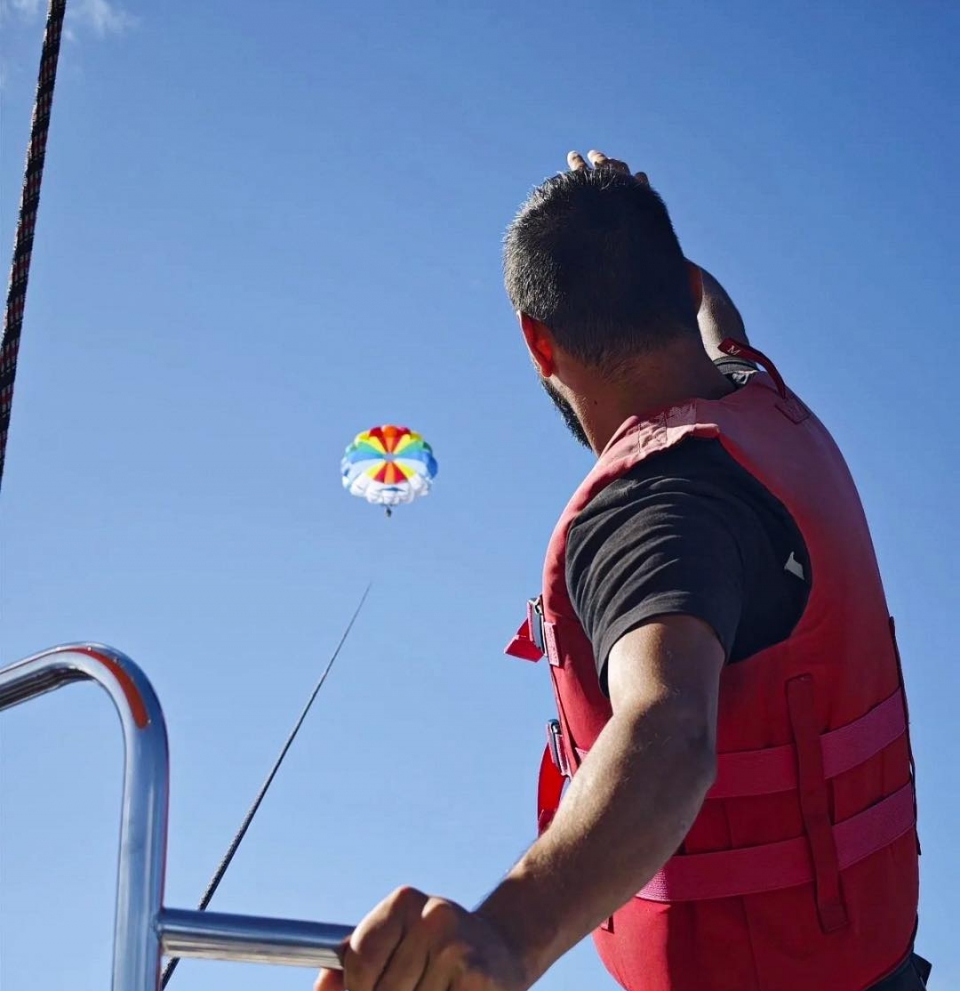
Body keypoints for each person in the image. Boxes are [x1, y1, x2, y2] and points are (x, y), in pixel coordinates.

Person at [315, 151, 927, 991]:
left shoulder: (654, 508)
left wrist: (506, 936)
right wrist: (636, 217)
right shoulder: (758, 399)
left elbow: (667, 731)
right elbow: (720, 319)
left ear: (538, 342)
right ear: (678, 285)